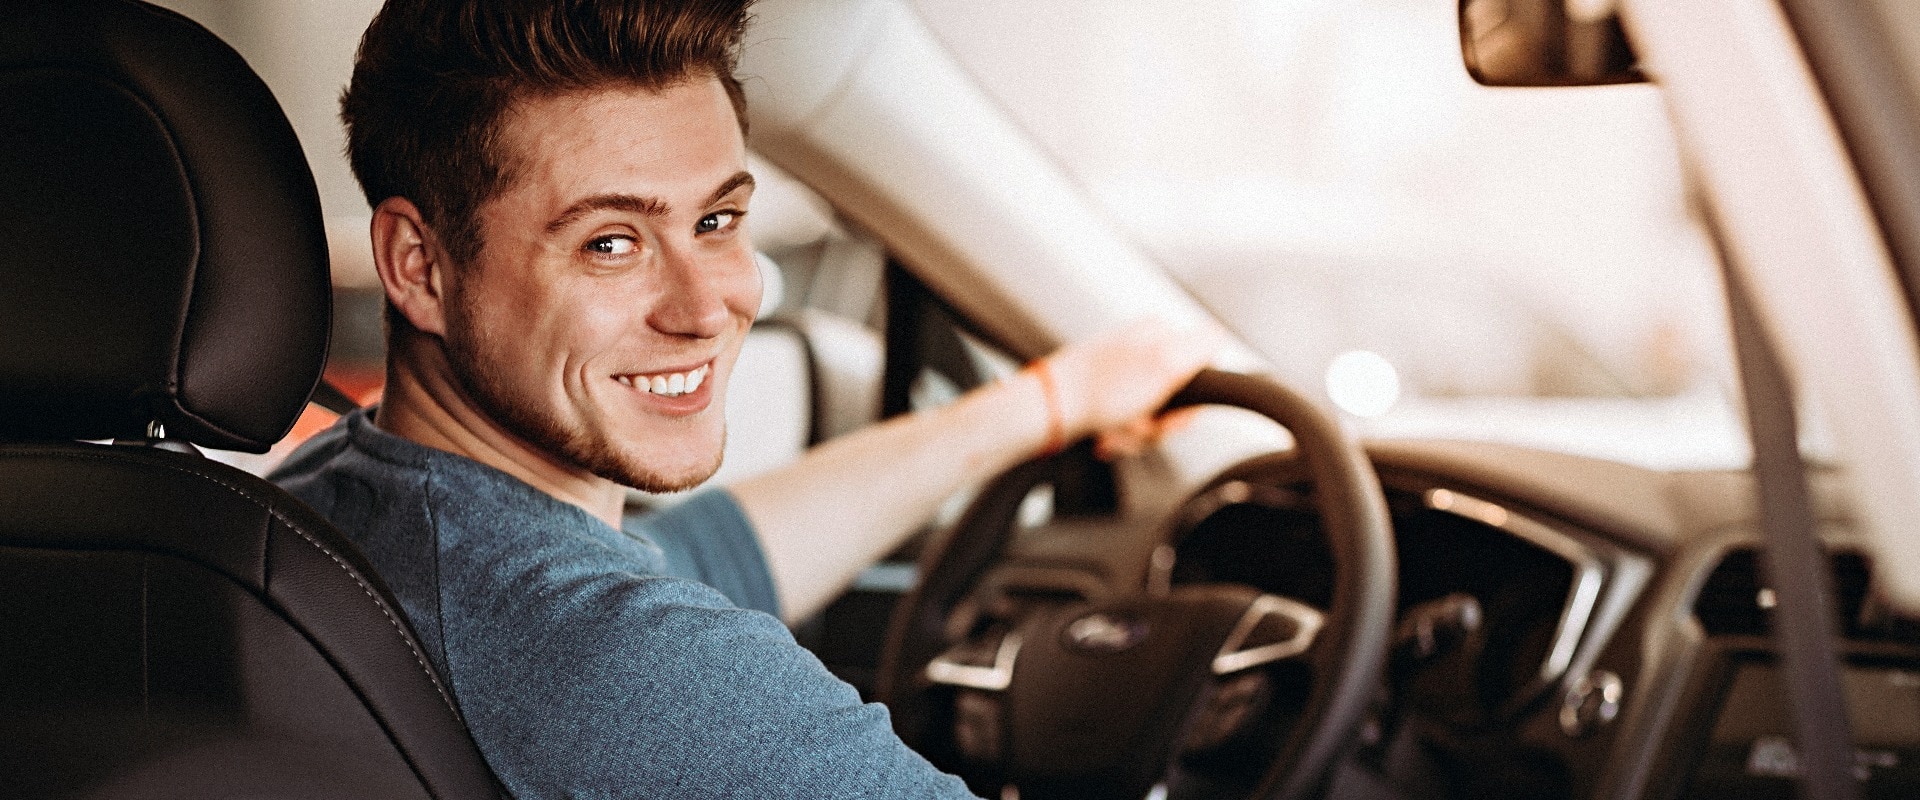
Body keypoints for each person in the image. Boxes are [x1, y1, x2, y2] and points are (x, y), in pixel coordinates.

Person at [270, 0, 1225, 795]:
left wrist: (1046, 403)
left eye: (718, 220)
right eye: (612, 242)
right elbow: (633, 626)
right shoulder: (623, 666)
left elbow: (698, 557)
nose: (709, 305)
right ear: (419, 265)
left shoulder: (344, 497)